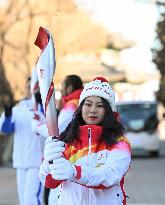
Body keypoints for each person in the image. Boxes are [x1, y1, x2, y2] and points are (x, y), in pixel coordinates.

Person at [39, 77, 131, 205]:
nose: (93, 110)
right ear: (81, 107)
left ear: (108, 111)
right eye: (88, 104)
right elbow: (50, 182)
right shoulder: (67, 140)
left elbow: (110, 176)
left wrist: (75, 172)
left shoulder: (119, 143)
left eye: (100, 105)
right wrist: (48, 161)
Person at [34, 75, 83, 205]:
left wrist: (38, 126)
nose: (61, 90)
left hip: (67, 155)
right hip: (78, 153)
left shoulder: (71, 106)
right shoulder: (80, 102)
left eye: (63, 87)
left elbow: (56, 132)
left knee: (55, 197)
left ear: (70, 87)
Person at [0, 77, 44, 205]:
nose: (30, 90)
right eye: (28, 87)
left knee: (32, 198)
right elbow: (5, 130)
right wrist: (7, 117)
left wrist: (40, 106)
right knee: (23, 197)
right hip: (20, 161)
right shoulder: (17, 109)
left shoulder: (44, 108)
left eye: (33, 87)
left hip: (37, 161)